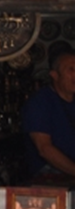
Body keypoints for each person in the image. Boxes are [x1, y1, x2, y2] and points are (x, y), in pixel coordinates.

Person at [22, 45, 75, 182]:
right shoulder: (40, 102)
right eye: (71, 69)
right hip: (51, 176)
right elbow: (45, 149)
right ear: (55, 75)